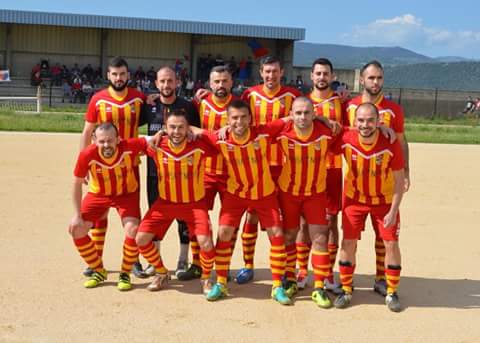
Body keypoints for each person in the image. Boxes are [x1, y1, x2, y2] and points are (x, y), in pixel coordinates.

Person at [202, 100, 293, 305]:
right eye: (234, 118)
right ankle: (222, 282)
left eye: (243, 117)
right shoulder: (220, 137)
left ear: (251, 118)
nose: (239, 121)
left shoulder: (263, 132)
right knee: (224, 233)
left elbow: (292, 117)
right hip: (236, 194)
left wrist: (321, 117)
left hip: (265, 193)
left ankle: (277, 286)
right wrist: (160, 134)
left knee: (277, 234)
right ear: (227, 120)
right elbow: (193, 130)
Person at [345, 60, 410, 297]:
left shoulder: (394, 109)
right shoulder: (350, 106)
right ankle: (345, 282)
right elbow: (343, 134)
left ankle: (381, 278)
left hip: (385, 183)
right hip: (356, 184)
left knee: (384, 235)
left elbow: (401, 142)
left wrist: (407, 172)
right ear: (361, 80)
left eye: (379, 78)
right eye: (371, 78)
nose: (376, 82)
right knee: (350, 237)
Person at [135, 110, 217, 297]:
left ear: (188, 128)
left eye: (181, 127)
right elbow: (131, 145)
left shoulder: (198, 145)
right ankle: (162, 273)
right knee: (141, 239)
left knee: (206, 242)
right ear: (165, 128)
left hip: (194, 204)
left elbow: (219, 141)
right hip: (165, 203)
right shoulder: (157, 145)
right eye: (172, 127)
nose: (177, 131)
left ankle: (206, 278)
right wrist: (157, 135)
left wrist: (199, 131)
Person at [333, 102, 405, 312]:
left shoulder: (389, 142)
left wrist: (393, 210)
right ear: (354, 121)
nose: (365, 124)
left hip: (384, 202)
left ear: (379, 122)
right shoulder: (345, 138)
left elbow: (399, 181)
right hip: (354, 200)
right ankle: (346, 289)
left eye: (371, 120)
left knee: (391, 243)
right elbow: (318, 131)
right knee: (348, 243)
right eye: (361, 120)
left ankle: (391, 291)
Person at [236, 55, 301, 284]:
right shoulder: (249, 95)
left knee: (283, 220)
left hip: (285, 166)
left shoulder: (293, 96)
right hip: (257, 166)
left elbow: (308, 114)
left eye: (275, 71)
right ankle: (248, 265)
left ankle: (285, 269)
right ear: (261, 72)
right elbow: (235, 115)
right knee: (252, 215)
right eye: (267, 71)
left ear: (281, 72)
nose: (271, 75)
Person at [80, 56, 147, 278]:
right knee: (99, 214)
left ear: (129, 75)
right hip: (101, 163)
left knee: (131, 216)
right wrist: (86, 162)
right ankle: (96, 260)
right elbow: (87, 132)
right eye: (114, 74)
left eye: (122, 74)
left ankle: (133, 260)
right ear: (108, 75)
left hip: (130, 165)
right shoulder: (98, 99)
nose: (119, 78)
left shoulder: (139, 98)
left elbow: (158, 114)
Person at [68, 122, 150, 291]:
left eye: (110, 141)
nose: (106, 145)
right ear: (94, 140)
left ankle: (125, 273)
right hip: (98, 195)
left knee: (133, 230)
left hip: (126, 195)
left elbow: (150, 140)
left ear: (118, 139)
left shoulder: (128, 147)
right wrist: (77, 214)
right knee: (76, 228)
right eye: (102, 141)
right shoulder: (86, 155)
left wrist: (164, 133)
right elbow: (76, 184)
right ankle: (98, 270)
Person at [276, 97, 338, 308]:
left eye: (307, 113)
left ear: (314, 114)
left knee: (320, 236)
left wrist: (384, 129)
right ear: (291, 114)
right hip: (288, 193)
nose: (302, 117)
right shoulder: (281, 131)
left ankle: (318, 287)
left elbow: (355, 134)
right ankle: (291, 280)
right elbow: (254, 129)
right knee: (289, 235)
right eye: (298, 113)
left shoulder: (327, 132)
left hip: (315, 193)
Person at [140, 66, 201, 280]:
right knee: (155, 217)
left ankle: (182, 259)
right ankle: (153, 260)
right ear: (156, 84)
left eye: (170, 81)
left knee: (183, 219)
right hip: (154, 172)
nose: (166, 85)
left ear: (177, 82)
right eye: (162, 81)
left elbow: (197, 132)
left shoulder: (187, 107)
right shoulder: (148, 105)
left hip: (183, 173)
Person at [295, 58, 345, 293]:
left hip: (333, 168)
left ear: (332, 76)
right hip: (307, 168)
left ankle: (327, 273)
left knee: (331, 221)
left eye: (326, 73)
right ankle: (302, 270)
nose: (322, 78)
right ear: (311, 77)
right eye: (318, 74)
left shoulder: (341, 103)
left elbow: (351, 130)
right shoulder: (302, 103)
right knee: (304, 222)